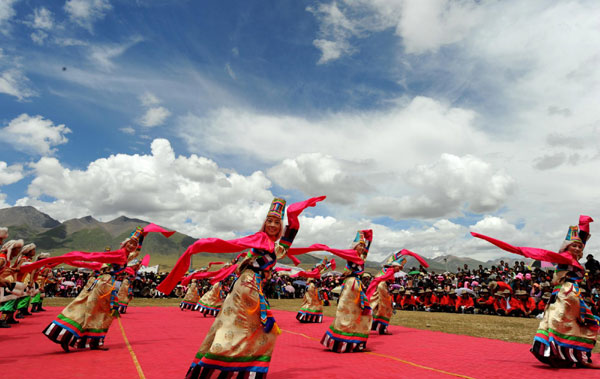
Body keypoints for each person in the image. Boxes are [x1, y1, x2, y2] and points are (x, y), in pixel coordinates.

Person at [185, 198, 303, 378]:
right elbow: (233, 244)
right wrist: (204, 245)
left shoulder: (274, 247)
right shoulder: (259, 240)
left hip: (251, 286)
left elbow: (290, 236)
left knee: (237, 326)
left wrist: (294, 215)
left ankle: (228, 368)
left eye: (276, 222)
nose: (272, 225)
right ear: (264, 223)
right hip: (248, 286)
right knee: (260, 330)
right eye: (269, 221)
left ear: (280, 226)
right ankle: (241, 369)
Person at [472, 215, 600, 367]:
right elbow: (531, 252)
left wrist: (584, 224)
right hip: (566, 295)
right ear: (567, 247)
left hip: (569, 295)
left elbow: (582, 239)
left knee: (569, 323)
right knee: (569, 323)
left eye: (579, 247)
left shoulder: (572, 257)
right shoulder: (565, 257)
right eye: (574, 246)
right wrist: (499, 243)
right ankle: (574, 357)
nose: (578, 248)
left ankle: (568, 356)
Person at [42, 229, 143, 352]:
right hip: (104, 285)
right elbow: (97, 258)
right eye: (130, 243)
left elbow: (136, 253)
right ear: (125, 243)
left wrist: (142, 236)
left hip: (106, 285)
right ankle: (80, 339)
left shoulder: (125, 255)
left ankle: (90, 341)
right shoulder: (119, 254)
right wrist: (71, 258)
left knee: (96, 312)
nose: (132, 246)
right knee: (97, 313)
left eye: (134, 244)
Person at [321, 230, 372, 352]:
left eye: (363, 245)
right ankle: (343, 342)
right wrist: (328, 249)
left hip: (356, 286)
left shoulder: (361, 257)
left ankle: (356, 343)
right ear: (354, 246)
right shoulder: (351, 254)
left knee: (362, 313)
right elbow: (340, 252)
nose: (363, 247)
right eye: (360, 245)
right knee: (348, 314)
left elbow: (369, 244)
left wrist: (368, 235)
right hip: (351, 286)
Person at [368, 256, 405, 334]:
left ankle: (374, 325)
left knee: (376, 306)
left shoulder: (387, 270)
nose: (399, 269)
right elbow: (385, 280)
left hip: (380, 287)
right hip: (382, 288)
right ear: (394, 266)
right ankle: (381, 328)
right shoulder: (390, 271)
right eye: (399, 267)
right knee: (387, 308)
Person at [295, 257, 334, 323]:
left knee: (314, 302)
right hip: (312, 288)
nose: (322, 267)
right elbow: (312, 275)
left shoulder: (317, 270)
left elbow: (323, 269)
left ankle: (308, 317)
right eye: (321, 266)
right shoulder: (315, 271)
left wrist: (329, 264)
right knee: (312, 302)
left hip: (313, 288)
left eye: (322, 266)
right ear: (318, 266)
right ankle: (305, 317)